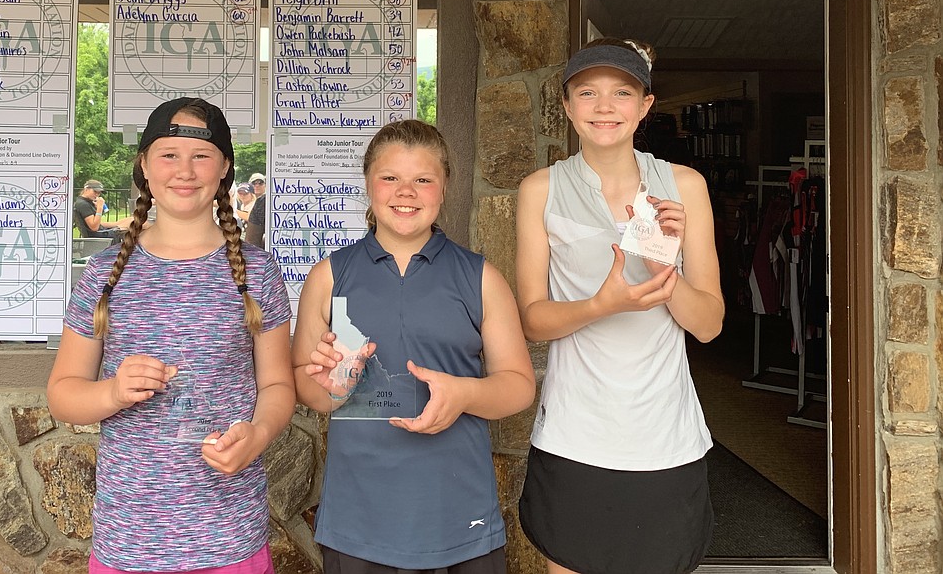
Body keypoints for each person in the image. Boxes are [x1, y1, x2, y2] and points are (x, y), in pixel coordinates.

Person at [47, 97, 295, 574]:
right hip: (129, 541)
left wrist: (259, 433)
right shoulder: (103, 275)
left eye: (201, 156)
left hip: (230, 537)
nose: (185, 170)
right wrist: (114, 391)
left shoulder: (258, 274)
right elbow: (64, 395)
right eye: (169, 155)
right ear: (144, 166)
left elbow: (278, 386)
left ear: (224, 168)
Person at [515, 38, 724, 574]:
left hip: (665, 437)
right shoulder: (541, 189)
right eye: (587, 92)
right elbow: (533, 320)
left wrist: (667, 277)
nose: (604, 107)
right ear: (566, 106)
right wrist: (600, 305)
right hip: (574, 434)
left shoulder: (684, 187)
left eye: (621, 92)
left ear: (645, 105)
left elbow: (709, 326)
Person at [292, 119, 535, 574]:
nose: (406, 192)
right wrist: (330, 388)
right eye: (390, 178)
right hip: (358, 517)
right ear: (368, 184)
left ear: (444, 189)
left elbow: (518, 386)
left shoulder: (480, 278)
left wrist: (465, 394)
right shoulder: (328, 276)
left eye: (423, 179)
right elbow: (311, 392)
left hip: (458, 513)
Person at [244, 174, 267, 248]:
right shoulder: (245, 202)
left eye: (260, 183)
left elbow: (251, 241)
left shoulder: (262, 202)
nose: (257, 185)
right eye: (254, 183)